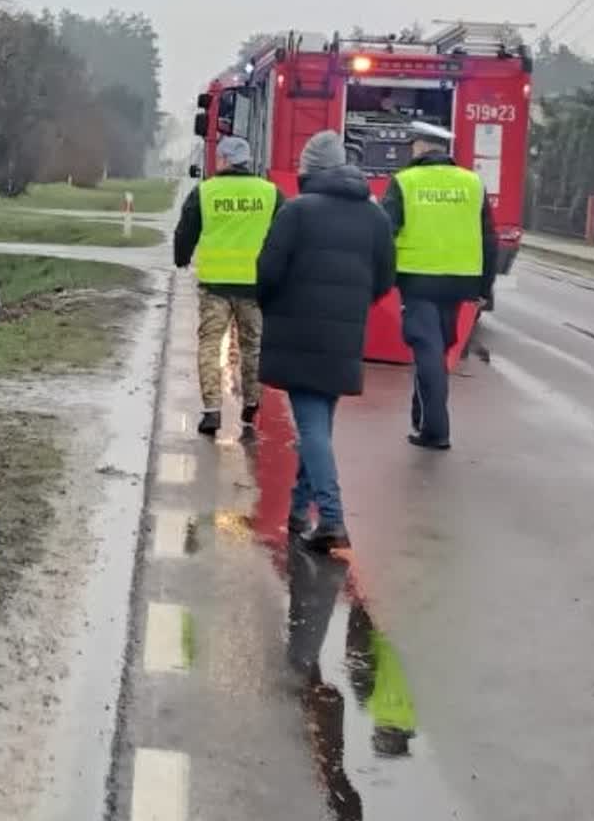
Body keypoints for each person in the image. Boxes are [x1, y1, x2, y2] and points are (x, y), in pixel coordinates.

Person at [255, 131, 396, 551]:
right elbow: (386, 277)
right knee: (318, 423)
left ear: (310, 170)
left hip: (299, 334)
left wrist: (275, 305)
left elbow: (268, 272)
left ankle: (332, 517)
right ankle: (299, 511)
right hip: (344, 335)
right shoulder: (374, 217)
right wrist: (353, 303)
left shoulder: (297, 211)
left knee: (312, 426)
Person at [382, 121, 496, 451]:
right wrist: (484, 287)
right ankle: (422, 417)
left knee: (428, 351)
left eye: (412, 145)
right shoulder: (472, 183)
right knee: (437, 349)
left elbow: (384, 230)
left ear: (420, 147)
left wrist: (380, 274)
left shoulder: (405, 182)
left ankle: (436, 429)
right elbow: (489, 239)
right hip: (460, 282)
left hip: (418, 279)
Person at [173, 135, 283, 436]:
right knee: (253, 346)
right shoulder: (270, 193)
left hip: (215, 285)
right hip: (254, 285)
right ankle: (251, 403)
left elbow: (186, 228)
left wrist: (181, 257)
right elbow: (285, 232)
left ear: (222, 160)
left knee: (209, 344)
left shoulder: (205, 192)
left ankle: (212, 410)